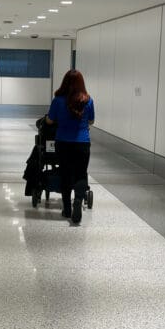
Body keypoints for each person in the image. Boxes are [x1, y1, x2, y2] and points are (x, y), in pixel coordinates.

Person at [46, 70, 95, 225]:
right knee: (81, 174)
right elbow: (91, 121)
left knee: (65, 173)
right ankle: (78, 203)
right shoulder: (88, 100)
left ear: (65, 82)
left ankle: (66, 208)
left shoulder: (58, 101)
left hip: (63, 143)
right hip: (82, 143)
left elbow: (49, 121)